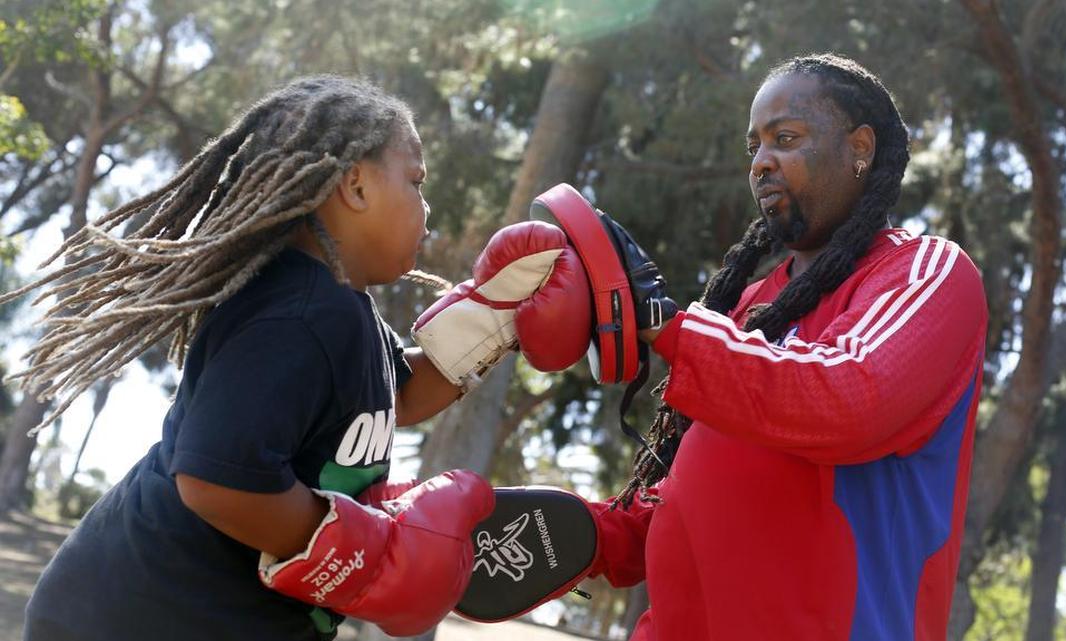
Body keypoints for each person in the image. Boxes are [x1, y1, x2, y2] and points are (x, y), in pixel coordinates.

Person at [9, 75, 585, 641]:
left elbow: (398, 395)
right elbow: (215, 480)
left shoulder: (344, 313)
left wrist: (498, 317)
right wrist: (368, 557)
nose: (427, 208)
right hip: (133, 617)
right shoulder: (301, 313)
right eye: (416, 181)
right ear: (355, 186)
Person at [580, 53, 988, 640]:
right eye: (754, 147)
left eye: (786, 138)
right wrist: (582, 535)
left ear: (861, 148)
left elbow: (848, 397)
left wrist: (662, 323)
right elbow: (693, 499)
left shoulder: (927, 272)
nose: (762, 162)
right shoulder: (745, 307)